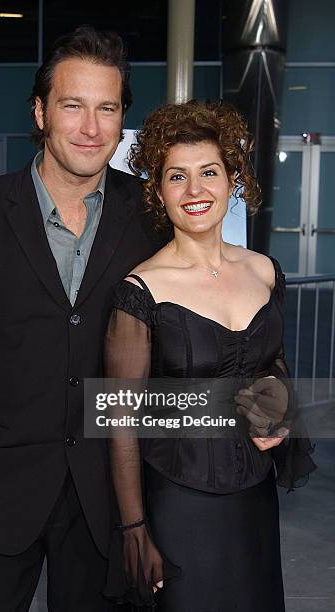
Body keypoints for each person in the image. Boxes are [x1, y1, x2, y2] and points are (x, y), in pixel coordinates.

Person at [0, 27, 166, 611]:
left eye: (107, 109)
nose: (90, 128)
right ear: (40, 110)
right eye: (72, 106)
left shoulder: (147, 214)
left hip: (108, 494)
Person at [103, 100, 316, 611]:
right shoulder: (141, 289)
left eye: (209, 172)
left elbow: (274, 368)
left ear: (232, 180)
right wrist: (135, 530)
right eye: (178, 176)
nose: (195, 190)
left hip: (253, 500)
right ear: (158, 190)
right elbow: (118, 421)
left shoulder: (265, 270)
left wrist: (280, 414)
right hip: (179, 503)